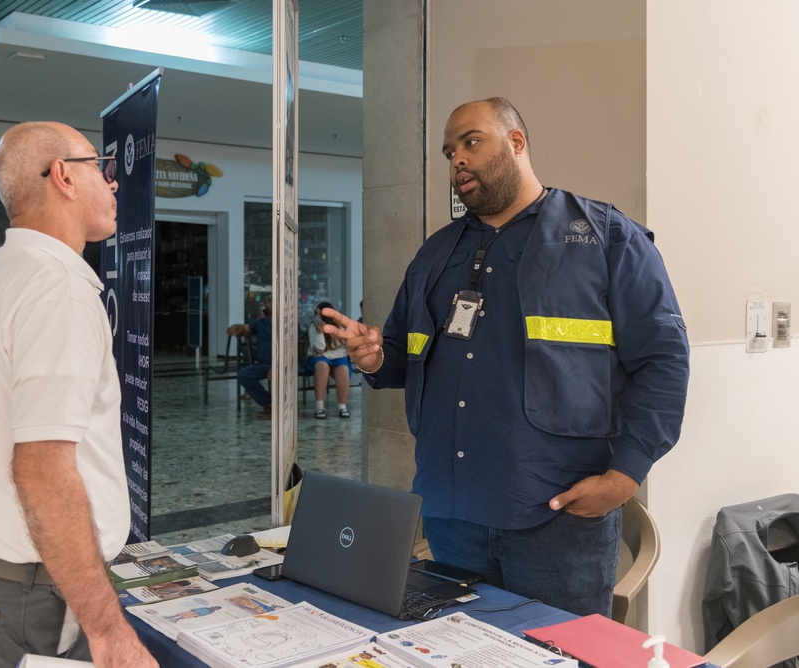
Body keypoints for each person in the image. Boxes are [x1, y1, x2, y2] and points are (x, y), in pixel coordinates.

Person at [323, 97, 689, 617]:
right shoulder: (435, 253)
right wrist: (373, 357)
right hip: (451, 516)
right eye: (450, 151)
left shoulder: (606, 238)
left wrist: (626, 475)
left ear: (516, 142)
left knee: (562, 655)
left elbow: (664, 359)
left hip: (558, 520)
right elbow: (405, 356)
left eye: (472, 142)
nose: (457, 161)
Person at [0, 121, 158, 668]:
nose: (114, 184)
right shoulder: (59, 290)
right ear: (65, 177)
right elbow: (42, 472)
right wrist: (109, 629)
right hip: (32, 604)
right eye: (102, 168)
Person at [227, 298, 273, 418]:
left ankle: (284, 405)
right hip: (265, 363)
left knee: (275, 373)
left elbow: (297, 345)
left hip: (286, 362)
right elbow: (245, 328)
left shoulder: (290, 323)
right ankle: (269, 402)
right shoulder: (261, 323)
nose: (271, 304)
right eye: (271, 302)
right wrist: (237, 328)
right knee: (244, 374)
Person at [305, 301, 352, 419]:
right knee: (322, 366)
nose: (317, 317)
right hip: (319, 360)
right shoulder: (313, 327)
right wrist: (320, 332)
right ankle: (319, 407)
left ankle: (342, 407)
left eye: (320, 315)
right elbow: (318, 348)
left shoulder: (339, 326)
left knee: (343, 369)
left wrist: (325, 354)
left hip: (335, 357)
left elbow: (342, 350)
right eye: (317, 314)